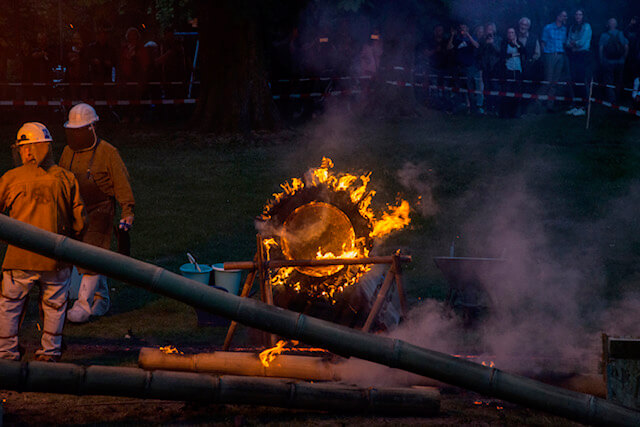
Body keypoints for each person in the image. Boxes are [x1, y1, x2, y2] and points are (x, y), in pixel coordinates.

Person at [0, 122, 86, 361]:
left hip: (19, 258)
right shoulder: (65, 178)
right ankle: (50, 351)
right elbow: (80, 221)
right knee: (55, 307)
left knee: (9, 306)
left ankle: (6, 353)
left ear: (23, 150)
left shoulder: (10, 178)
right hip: (56, 260)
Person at [60, 103, 135, 323]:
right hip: (76, 209)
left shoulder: (108, 153)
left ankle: (82, 304)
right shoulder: (67, 152)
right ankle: (101, 299)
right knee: (78, 254)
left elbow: (122, 184)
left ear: (92, 127)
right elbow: (62, 181)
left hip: (100, 209)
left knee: (91, 253)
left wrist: (127, 212)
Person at [447, 23, 480, 114]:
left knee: (470, 87)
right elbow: (449, 47)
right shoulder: (457, 39)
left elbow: (477, 45)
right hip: (458, 66)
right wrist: (452, 35)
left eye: (464, 28)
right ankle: (458, 107)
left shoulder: (472, 38)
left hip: (469, 67)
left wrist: (468, 35)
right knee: (457, 87)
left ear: (468, 28)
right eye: (461, 28)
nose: (462, 29)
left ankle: (473, 109)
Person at [540, 10, 568, 111]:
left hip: (560, 55)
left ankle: (549, 105)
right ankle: (537, 103)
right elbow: (543, 42)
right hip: (550, 55)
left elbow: (565, 43)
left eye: (566, 16)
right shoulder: (548, 27)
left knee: (555, 82)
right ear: (558, 16)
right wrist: (545, 55)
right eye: (563, 16)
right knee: (548, 80)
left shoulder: (564, 29)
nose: (564, 18)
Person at [565, 9, 592, 116]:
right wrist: (573, 44)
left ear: (583, 16)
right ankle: (576, 105)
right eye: (576, 14)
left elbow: (582, 42)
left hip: (583, 55)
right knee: (574, 79)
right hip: (574, 55)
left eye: (580, 14)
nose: (578, 16)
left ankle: (583, 106)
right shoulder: (572, 27)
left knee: (581, 79)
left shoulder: (586, 26)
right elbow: (567, 42)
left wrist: (574, 43)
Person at [599, 18, 629, 103]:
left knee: (609, 81)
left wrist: (601, 60)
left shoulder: (604, 35)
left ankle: (612, 100)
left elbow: (601, 48)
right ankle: (618, 99)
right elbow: (626, 47)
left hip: (608, 61)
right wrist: (624, 58)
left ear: (608, 25)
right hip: (620, 62)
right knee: (618, 80)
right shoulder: (621, 34)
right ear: (616, 25)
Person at [500, 28, 526, 118]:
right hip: (508, 70)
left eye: (512, 32)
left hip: (517, 70)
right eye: (509, 32)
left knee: (517, 92)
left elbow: (523, 52)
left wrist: (516, 45)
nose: (511, 34)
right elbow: (502, 55)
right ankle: (505, 113)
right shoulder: (504, 44)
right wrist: (513, 55)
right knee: (507, 92)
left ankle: (515, 113)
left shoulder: (519, 44)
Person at [480, 22, 502, 115]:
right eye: (488, 29)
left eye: (491, 29)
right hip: (486, 68)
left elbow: (500, 52)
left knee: (495, 87)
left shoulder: (499, 39)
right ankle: (488, 108)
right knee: (487, 88)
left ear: (494, 30)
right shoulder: (482, 40)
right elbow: (479, 52)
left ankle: (496, 108)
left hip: (495, 68)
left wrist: (492, 43)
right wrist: (486, 43)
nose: (489, 30)